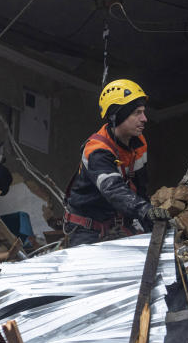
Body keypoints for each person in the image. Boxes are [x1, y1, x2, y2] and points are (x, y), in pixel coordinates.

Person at [63, 79, 170, 247]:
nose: (144, 119)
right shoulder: (97, 150)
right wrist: (144, 211)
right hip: (87, 230)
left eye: (143, 112)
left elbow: (140, 190)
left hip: (117, 226)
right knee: (87, 271)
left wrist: (153, 225)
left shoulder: (139, 143)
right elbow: (114, 190)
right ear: (116, 116)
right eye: (137, 113)